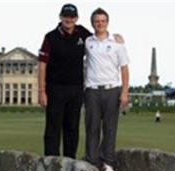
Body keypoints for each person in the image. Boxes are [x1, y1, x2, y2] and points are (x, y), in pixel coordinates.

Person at [38, 4, 123, 159]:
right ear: (61, 17)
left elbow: (99, 39)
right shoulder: (50, 37)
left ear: (76, 19)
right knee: (53, 127)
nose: (69, 20)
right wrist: (41, 91)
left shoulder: (83, 34)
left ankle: (70, 162)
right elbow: (42, 65)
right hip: (55, 88)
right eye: (66, 16)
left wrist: (116, 38)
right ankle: (51, 163)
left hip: (76, 89)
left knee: (72, 128)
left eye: (72, 17)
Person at [84, 8, 130, 171]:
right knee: (92, 128)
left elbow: (124, 69)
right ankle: (92, 162)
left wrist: (124, 92)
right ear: (92, 23)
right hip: (92, 90)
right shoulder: (87, 41)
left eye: (103, 21)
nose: (100, 24)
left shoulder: (117, 43)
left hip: (112, 89)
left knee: (110, 128)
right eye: (97, 21)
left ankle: (108, 162)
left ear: (107, 23)